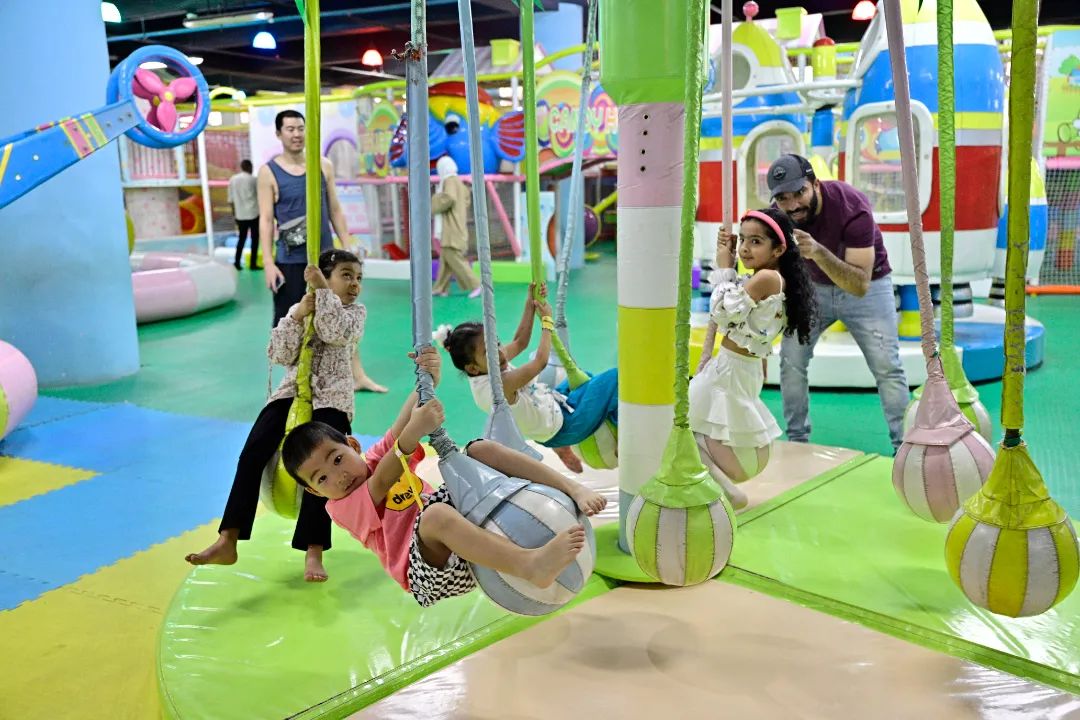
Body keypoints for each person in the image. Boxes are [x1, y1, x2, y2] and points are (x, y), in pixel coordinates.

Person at [280, 347, 607, 608]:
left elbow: (400, 424)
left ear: (353, 446)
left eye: (337, 459)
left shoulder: (375, 459)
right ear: (315, 492)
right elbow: (383, 480)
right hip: (428, 571)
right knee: (434, 516)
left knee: (479, 449)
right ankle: (528, 565)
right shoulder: (340, 508)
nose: (338, 477)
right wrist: (413, 433)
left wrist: (427, 379)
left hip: (463, 531)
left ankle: (571, 487)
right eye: (321, 479)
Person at [185, 249, 366, 582]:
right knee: (253, 451)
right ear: (325, 275)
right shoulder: (305, 305)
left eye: (358, 278)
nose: (355, 284)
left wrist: (323, 292)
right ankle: (228, 538)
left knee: (322, 467)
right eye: (346, 275)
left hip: (332, 397)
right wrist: (297, 314)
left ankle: (313, 551)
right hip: (292, 390)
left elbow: (335, 332)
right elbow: (279, 353)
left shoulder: (355, 313)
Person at [768, 153, 909, 451]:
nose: (792, 205)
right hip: (813, 290)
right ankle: (797, 443)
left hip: (868, 288)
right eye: (782, 198)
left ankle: (905, 447)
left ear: (815, 184)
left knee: (887, 367)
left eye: (799, 193)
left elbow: (859, 284)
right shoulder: (778, 217)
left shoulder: (852, 207)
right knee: (791, 360)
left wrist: (817, 252)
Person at [689, 208, 816, 509]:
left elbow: (723, 311)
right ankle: (719, 485)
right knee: (688, 428)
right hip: (740, 368)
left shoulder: (767, 278)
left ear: (779, 249)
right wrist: (728, 260)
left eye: (756, 241)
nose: (745, 248)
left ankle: (727, 491)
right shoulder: (770, 278)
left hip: (729, 370)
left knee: (676, 424)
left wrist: (723, 268)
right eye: (743, 240)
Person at [257, 109, 387, 394]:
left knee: (340, 313)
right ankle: (296, 381)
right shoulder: (268, 173)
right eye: (290, 129)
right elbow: (265, 220)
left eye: (300, 128)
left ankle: (357, 376)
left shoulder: (323, 165)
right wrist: (268, 262)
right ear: (279, 134)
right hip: (290, 260)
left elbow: (335, 209)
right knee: (294, 317)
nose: (296, 134)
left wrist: (347, 246)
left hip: (326, 259)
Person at [439, 285, 617, 475]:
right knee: (615, 378)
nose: (500, 351)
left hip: (552, 406)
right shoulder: (498, 387)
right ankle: (623, 438)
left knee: (585, 376)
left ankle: (560, 447)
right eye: (489, 350)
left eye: (497, 342)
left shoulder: (487, 364)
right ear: (472, 368)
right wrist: (547, 321)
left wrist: (530, 303)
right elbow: (540, 362)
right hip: (566, 425)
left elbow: (520, 342)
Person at [431, 156, 482, 298]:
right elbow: (465, 200)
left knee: (453, 257)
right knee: (446, 258)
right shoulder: (459, 182)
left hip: (451, 228)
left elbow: (449, 198)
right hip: (458, 225)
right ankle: (440, 288)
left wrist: (434, 201)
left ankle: (476, 284)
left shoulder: (449, 181)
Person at [227, 159, 260, 270]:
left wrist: (234, 214)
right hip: (254, 213)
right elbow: (259, 196)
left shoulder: (233, 179)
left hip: (240, 215)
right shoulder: (254, 180)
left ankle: (237, 262)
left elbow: (230, 200)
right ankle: (253, 264)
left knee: (241, 239)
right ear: (250, 167)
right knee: (255, 239)